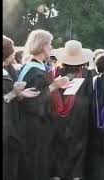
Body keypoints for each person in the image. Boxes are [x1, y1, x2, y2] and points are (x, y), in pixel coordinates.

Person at [17, 29, 70, 180]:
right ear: (42, 45)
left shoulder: (37, 67)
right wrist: (54, 86)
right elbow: (31, 102)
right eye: (50, 44)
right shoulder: (33, 70)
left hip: (39, 124)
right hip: (33, 126)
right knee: (34, 165)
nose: (52, 47)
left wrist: (57, 86)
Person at [49, 40, 94, 180]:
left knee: (57, 145)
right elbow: (90, 94)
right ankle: (76, 175)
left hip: (55, 115)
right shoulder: (86, 73)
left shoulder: (53, 72)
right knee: (77, 146)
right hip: (79, 116)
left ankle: (57, 174)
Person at [3, 35, 40, 180]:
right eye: (11, 54)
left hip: (11, 126)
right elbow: (7, 95)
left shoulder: (8, 69)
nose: (14, 58)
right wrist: (13, 93)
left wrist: (21, 93)